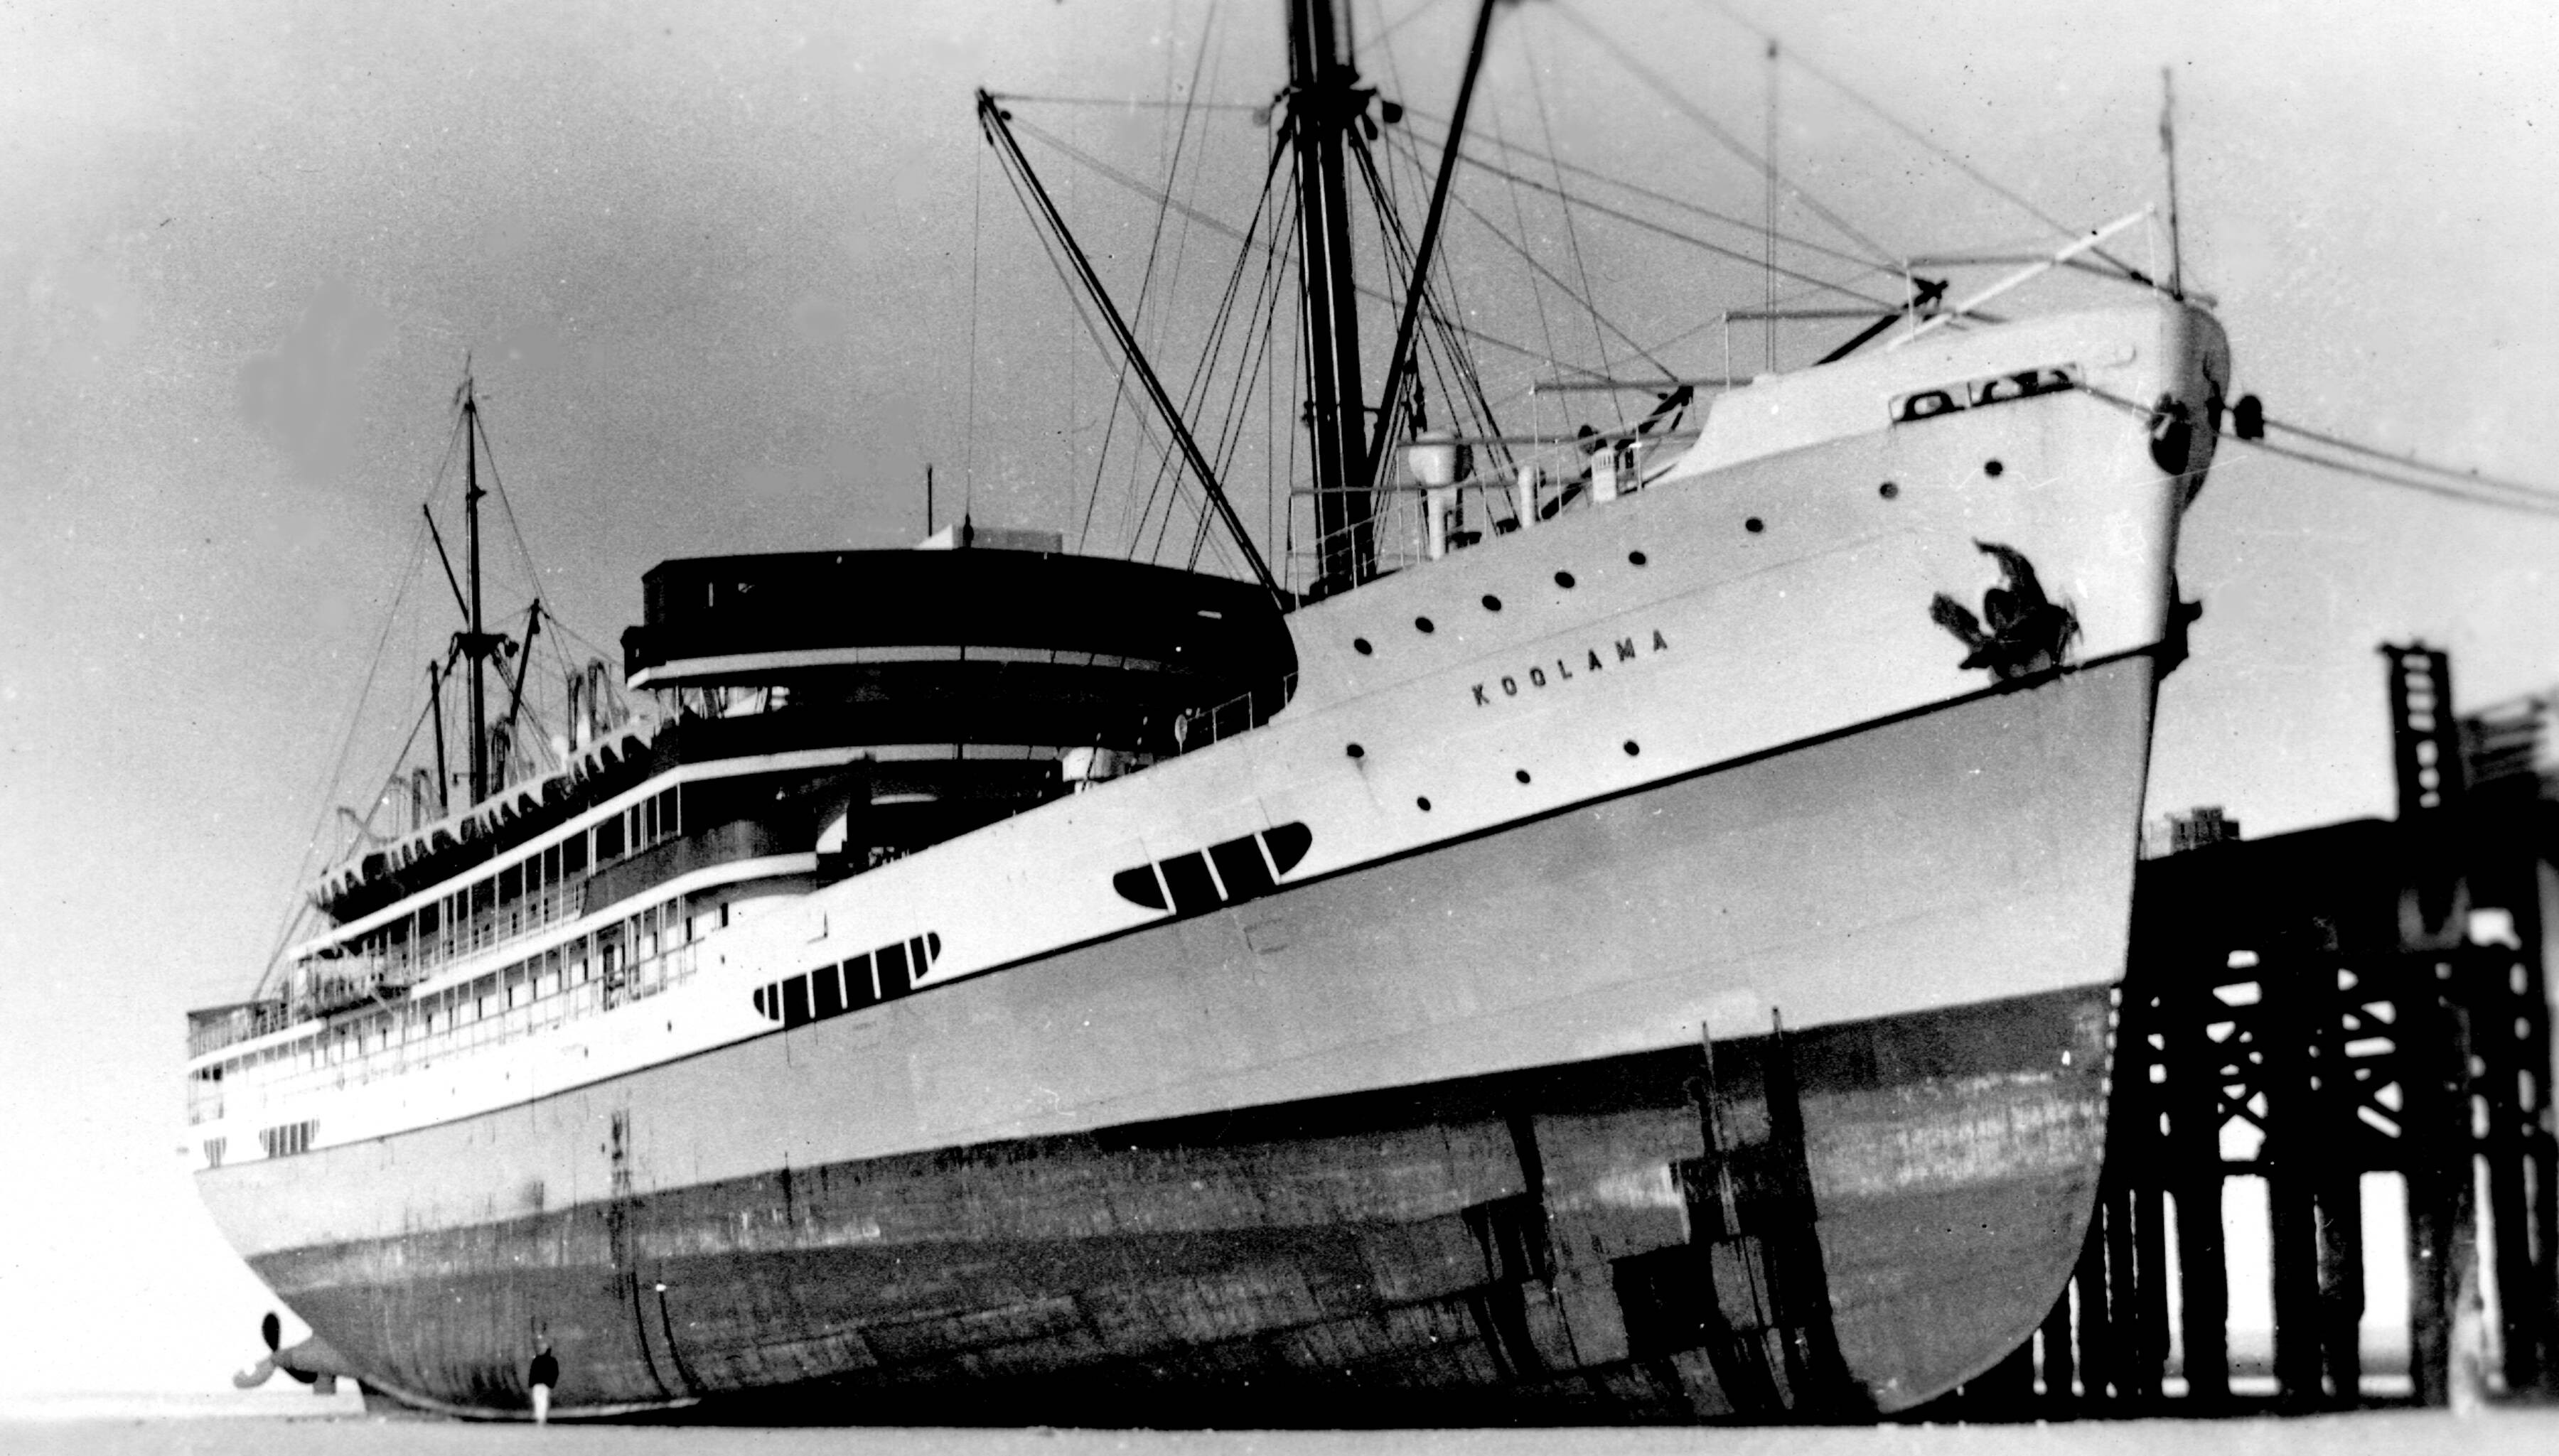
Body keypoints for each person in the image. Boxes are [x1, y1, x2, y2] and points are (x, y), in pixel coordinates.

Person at [527, 1339, 559, 1425]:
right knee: (543, 1400)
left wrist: (531, 1383)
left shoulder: (537, 1360)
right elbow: (555, 1373)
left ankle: (539, 1417)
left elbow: (532, 1372)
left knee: (539, 1400)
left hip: (538, 1384)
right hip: (545, 1384)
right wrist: (552, 1384)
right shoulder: (552, 1360)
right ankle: (542, 1417)